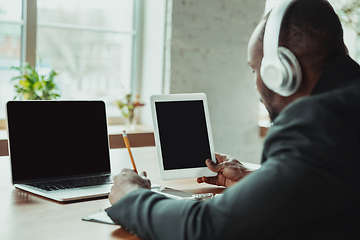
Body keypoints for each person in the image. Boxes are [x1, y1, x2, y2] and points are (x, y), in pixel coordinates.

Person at [106, 0, 360, 239]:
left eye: (255, 69)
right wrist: (259, 181)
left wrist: (132, 196)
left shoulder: (320, 121)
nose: (256, 83)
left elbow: (208, 228)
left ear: (280, 72)